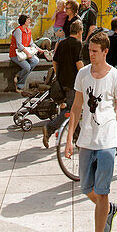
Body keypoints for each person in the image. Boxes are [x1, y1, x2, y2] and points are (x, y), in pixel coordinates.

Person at [66, 30, 117, 232]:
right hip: (86, 140)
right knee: (85, 188)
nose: (90, 55)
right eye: (89, 51)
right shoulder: (82, 74)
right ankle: (109, 210)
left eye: (94, 51)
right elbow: (76, 107)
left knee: (101, 192)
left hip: (107, 141)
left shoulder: (116, 77)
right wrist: (70, 138)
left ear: (105, 52)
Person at [42, 17, 84, 147]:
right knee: (71, 111)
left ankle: (78, 138)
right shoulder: (78, 44)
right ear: (79, 32)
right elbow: (79, 65)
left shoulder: (62, 43)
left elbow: (55, 61)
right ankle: (50, 128)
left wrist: (59, 73)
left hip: (62, 83)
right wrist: (86, 78)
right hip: (73, 84)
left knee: (73, 110)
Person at [10, 13, 40, 91]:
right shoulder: (18, 30)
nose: (29, 21)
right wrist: (28, 53)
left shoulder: (28, 31)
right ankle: (20, 84)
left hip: (25, 53)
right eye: (28, 20)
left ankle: (19, 75)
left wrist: (40, 50)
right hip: (16, 54)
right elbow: (19, 45)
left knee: (35, 61)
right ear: (24, 21)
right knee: (27, 67)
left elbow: (31, 43)